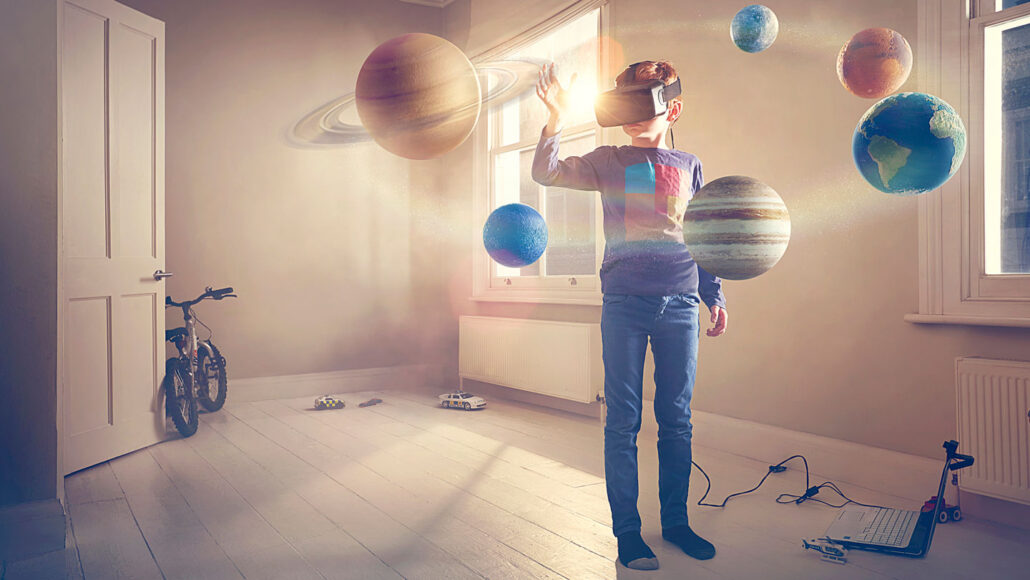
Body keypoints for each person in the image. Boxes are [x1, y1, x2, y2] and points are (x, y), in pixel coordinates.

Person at [532, 60, 727, 571]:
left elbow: (703, 235)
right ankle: (627, 533)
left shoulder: (690, 165)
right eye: (627, 104)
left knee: (676, 419)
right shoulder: (607, 160)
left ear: (673, 108)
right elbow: (546, 172)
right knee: (622, 420)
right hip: (624, 302)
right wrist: (554, 119)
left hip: (681, 304)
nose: (635, 115)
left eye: (647, 103)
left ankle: (677, 523)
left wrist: (715, 295)